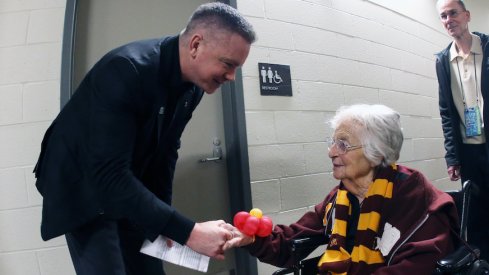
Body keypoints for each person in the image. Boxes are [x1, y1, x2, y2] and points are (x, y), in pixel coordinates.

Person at [32, 2, 255, 275]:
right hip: (84, 188)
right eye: (228, 64)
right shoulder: (127, 69)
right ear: (195, 45)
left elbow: (166, 153)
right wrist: (190, 232)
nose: (232, 77)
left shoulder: (192, 88)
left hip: (124, 183)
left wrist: (165, 223)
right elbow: (108, 176)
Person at [223, 104, 459, 274]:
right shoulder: (340, 198)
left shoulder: (412, 194)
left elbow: (420, 265)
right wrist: (253, 239)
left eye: (343, 144)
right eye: (333, 142)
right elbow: (291, 243)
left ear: (376, 153)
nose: (331, 152)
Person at [435, 0, 489, 260]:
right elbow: (446, 111)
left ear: (466, 16)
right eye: (443, 16)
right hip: (468, 150)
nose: (448, 20)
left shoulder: (487, 48)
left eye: (453, 13)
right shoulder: (443, 60)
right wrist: (452, 156)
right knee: (476, 213)